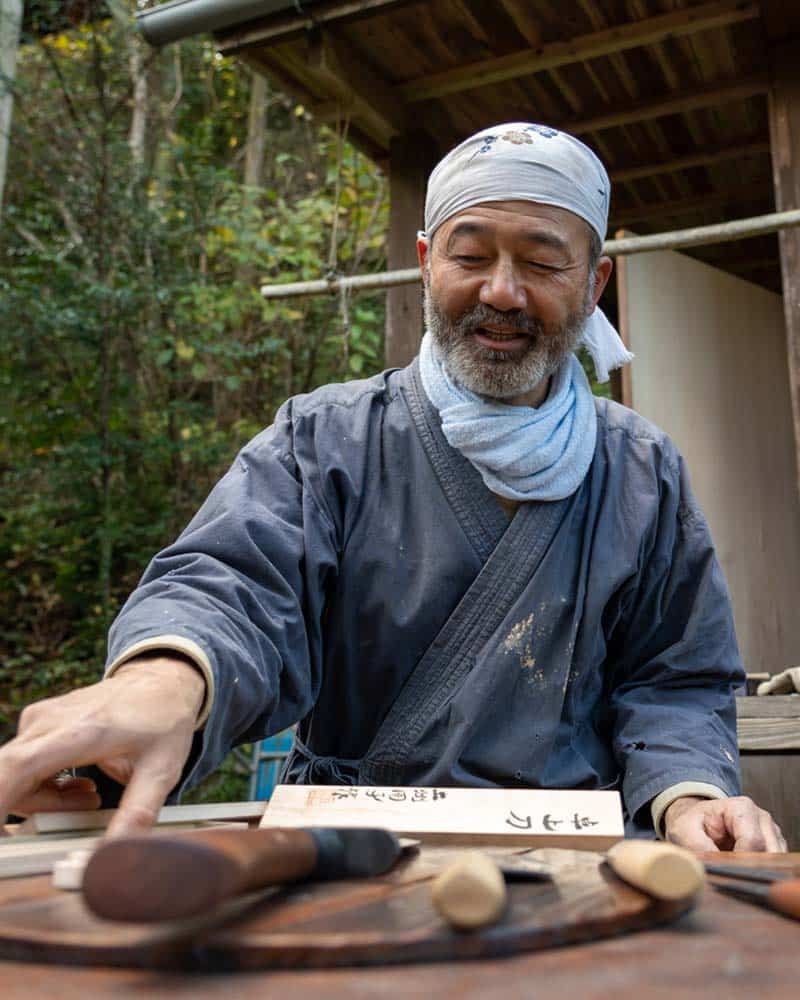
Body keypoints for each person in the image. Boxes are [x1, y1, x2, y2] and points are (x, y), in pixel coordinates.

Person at [0, 123, 785, 852]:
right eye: (470, 255)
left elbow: (675, 677)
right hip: (348, 853)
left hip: (571, 854)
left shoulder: (641, 470)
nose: (502, 292)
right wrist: (169, 681)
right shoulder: (325, 437)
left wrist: (687, 795)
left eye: (543, 262)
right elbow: (235, 584)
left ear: (594, 282)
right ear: (423, 261)